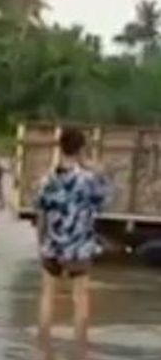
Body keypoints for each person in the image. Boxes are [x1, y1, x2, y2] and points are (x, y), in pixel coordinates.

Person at [35, 128, 108, 344]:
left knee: (47, 295)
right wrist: (95, 168)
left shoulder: (47, 180)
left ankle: (43, 341)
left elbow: (41, 214)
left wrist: (41, 243)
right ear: (82, 149)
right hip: (79, 245)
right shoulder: (89, 180)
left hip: (52, 244)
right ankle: (79, 346)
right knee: (80, 298)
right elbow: (102, 203)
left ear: (60, 148)